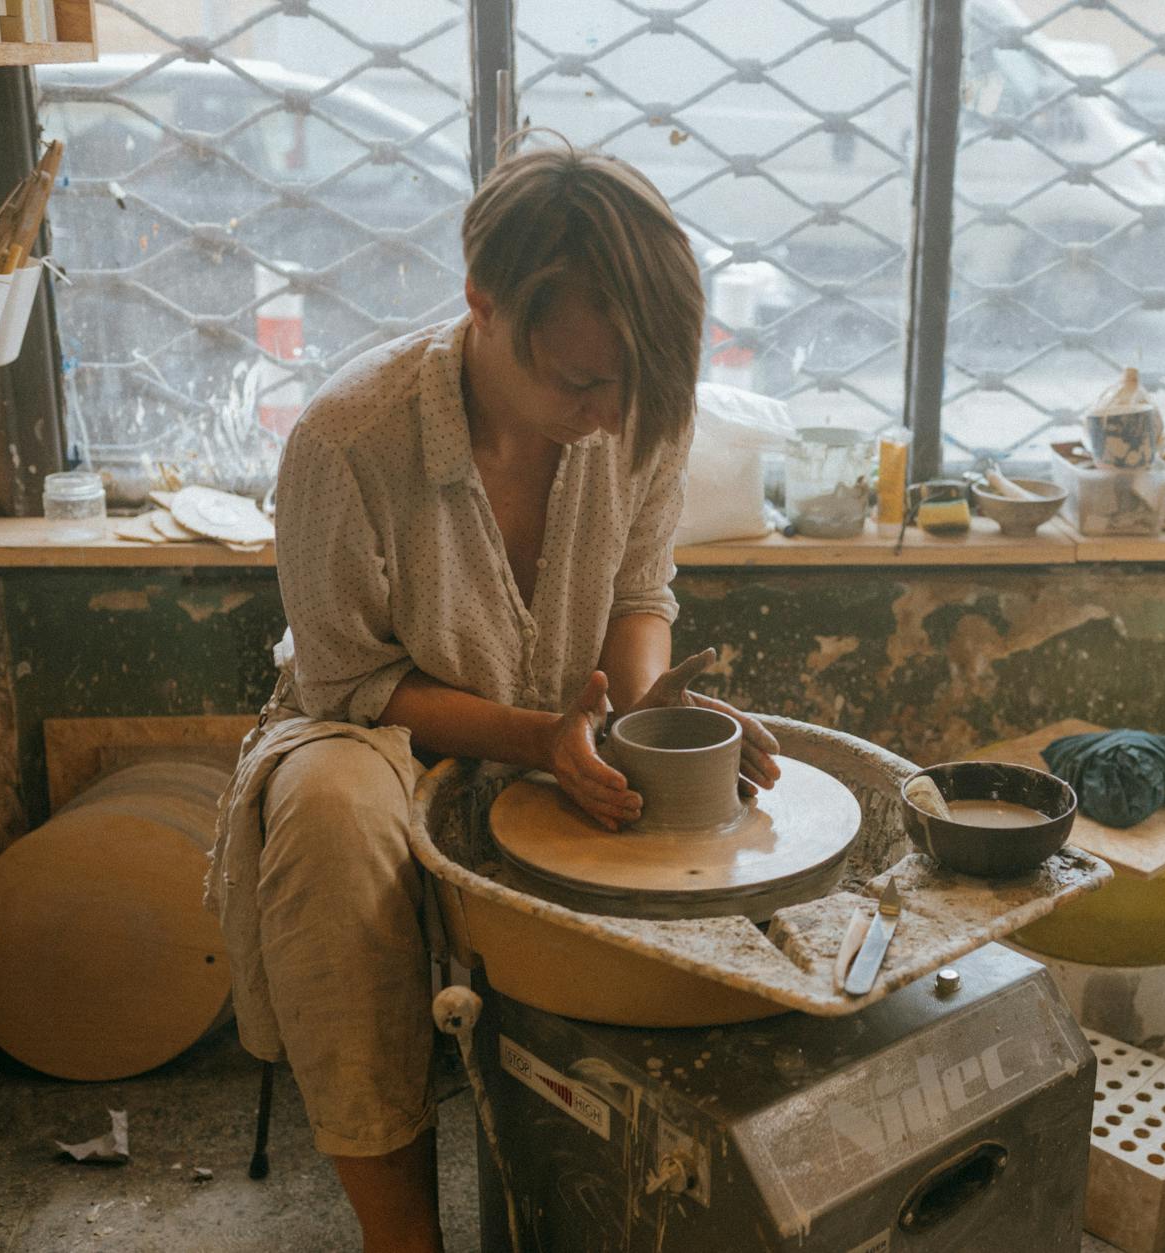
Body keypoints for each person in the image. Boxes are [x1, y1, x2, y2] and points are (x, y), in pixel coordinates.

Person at [205, 145, 778, 1253]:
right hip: (378, 728)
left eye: (632, 385)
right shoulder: (346, 438)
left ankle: (632, 1192)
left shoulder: (636, 408)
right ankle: (401, 1234)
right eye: (577, 383)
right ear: (481, 302)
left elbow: (635, 591)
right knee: (327, 812)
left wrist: (656, 717)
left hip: (572, 714)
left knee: (714, 804)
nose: (609, 416)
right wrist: (534, 737)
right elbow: (348, 678)